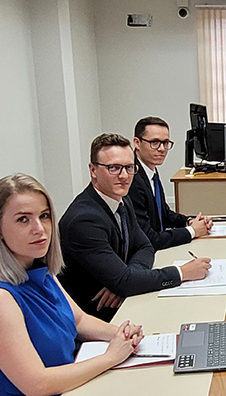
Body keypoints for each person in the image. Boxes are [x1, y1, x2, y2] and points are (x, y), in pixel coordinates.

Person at [0, 174, 144, 396]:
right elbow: (37, 384)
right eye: (23, 219)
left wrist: (122, 333)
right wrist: (110, 357)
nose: (40, 229)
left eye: (45, 216)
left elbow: (79, 321)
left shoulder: (40, 271)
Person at [59, 134, 211, 321]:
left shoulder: (123, 200)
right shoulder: (84, 220)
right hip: (98, 318)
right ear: (93, 170)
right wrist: (182, 273)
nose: (124, 176)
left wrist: (126, 279)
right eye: (113, 168)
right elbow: (125, 281)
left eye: (129, 168)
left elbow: (144, 246)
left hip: (127, 302)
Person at [129, 116, 212, 251]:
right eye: (154, 142)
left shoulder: (150, 169)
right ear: (137, 143)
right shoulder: (131, 178)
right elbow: (149, 238)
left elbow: (164, 213)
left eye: (166, 142)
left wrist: (189, 222)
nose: (162, 149)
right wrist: (192, 231)